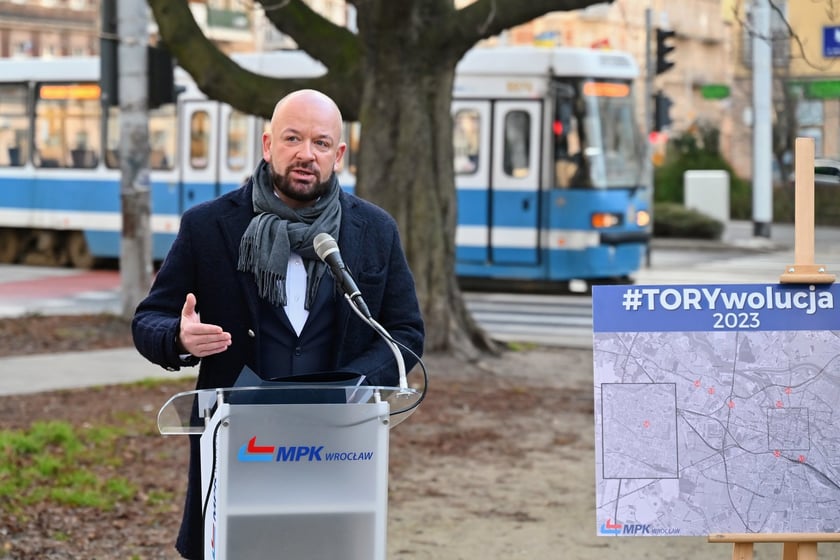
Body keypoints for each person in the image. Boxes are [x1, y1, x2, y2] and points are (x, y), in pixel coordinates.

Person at [131, 89, 425, 559]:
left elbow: (405, 335)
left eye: (322, 143)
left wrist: (354, 391)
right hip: (240, 452)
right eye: (293, 138)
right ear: (268, 145)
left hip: (338, 450)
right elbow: (149, 320)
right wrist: (179, 337)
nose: (306, 154)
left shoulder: (375, 230)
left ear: (339, 155)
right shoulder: (209, 226)